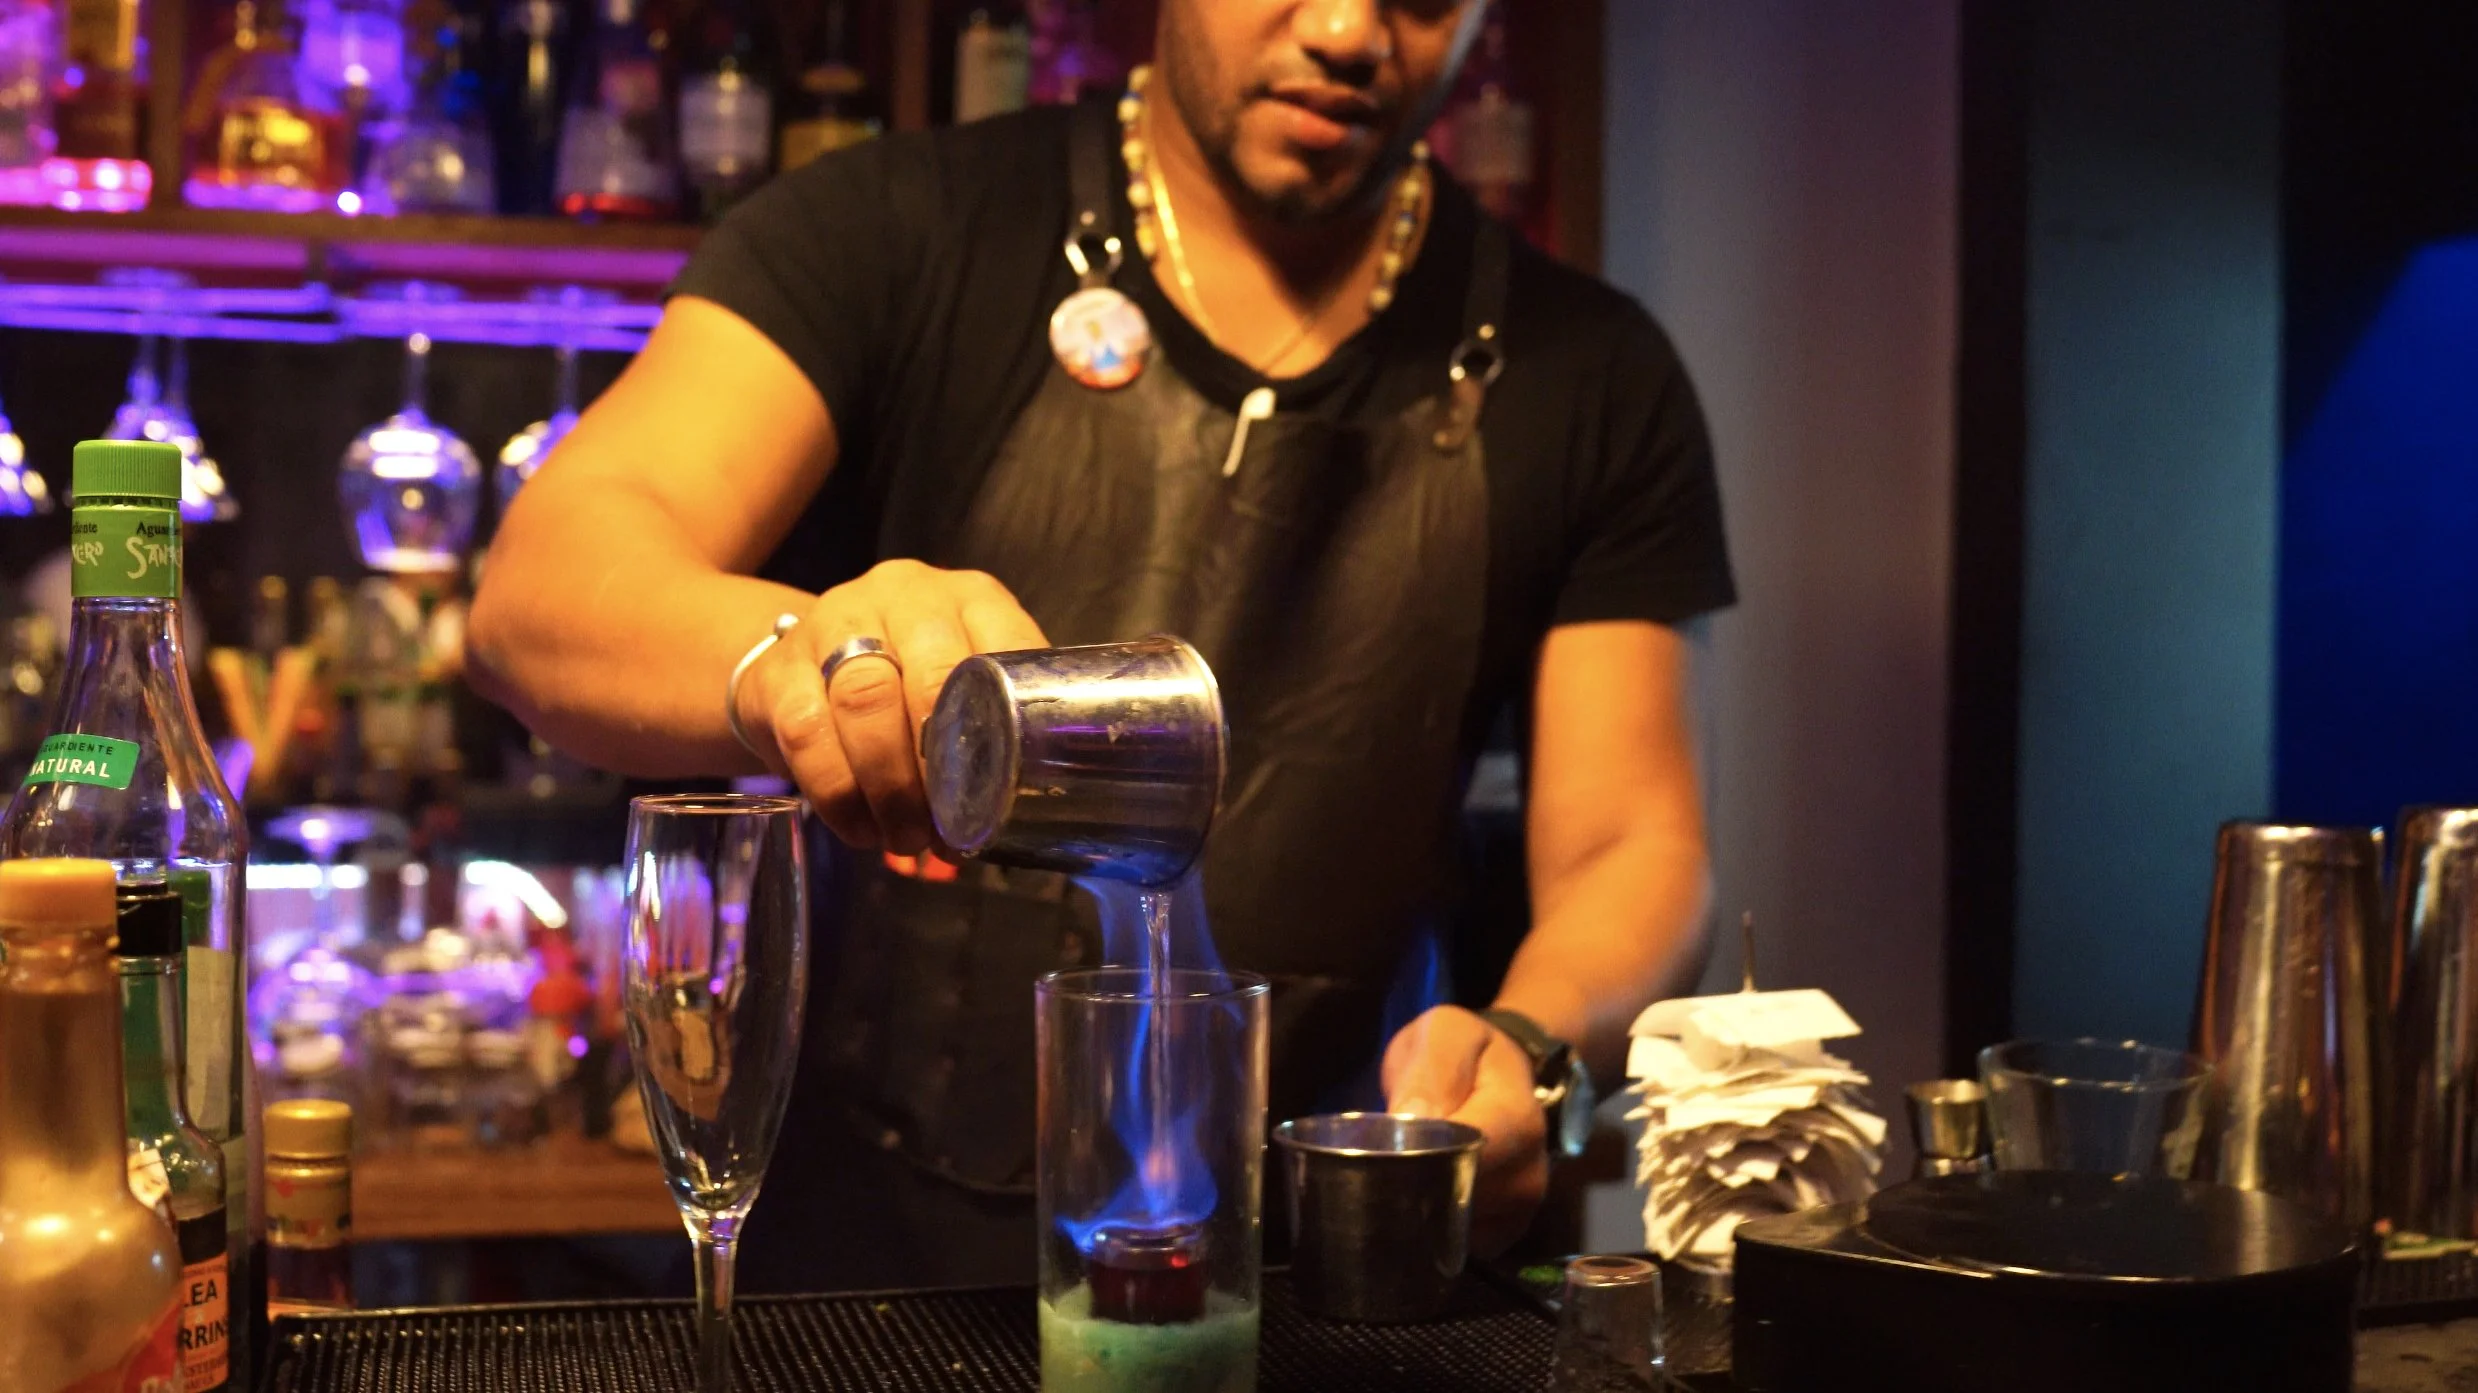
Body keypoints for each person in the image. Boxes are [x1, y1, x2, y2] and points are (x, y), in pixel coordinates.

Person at [467, 0, 1731, 1292]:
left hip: (1326, 1287)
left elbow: (1634, 841)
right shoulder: (893, 231)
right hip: (874, 1287)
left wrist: (1531, 1043)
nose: (1351, 30)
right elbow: (536, 602)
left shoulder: (1593, 372)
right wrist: (807, 658)